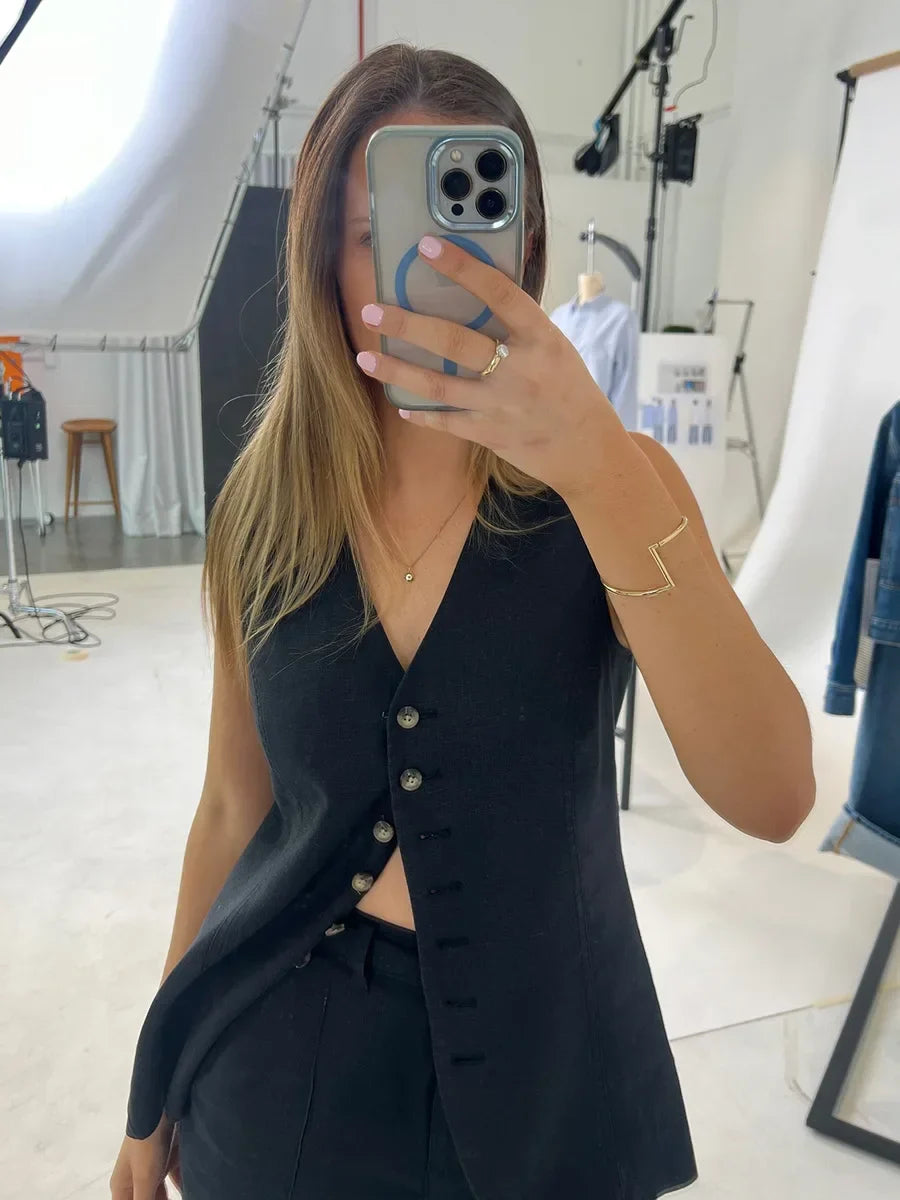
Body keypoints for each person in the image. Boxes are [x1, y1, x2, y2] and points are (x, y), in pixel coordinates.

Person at [110, 43, 816, 1200]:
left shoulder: (618, 488)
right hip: (279, 1067)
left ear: (524, 242)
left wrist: (601, 471)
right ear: (321, 262)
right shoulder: (267, 507)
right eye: (373, 229)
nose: (424, 264)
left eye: (467, 221)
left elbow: (775, 794)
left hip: (555, 1073)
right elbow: (234, 806)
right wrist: (152, 1085)